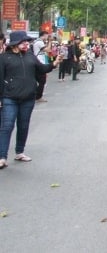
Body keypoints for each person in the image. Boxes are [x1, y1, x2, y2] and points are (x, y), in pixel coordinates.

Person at [0, 30, 62, 169]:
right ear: (15, 44)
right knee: (7, 126)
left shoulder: (30, 56)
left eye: (27, 41)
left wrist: (54, 63)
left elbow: (42, 69)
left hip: (28, 98)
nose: (27, 44)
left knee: (23, 125)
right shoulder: (4, 58)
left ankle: (20, 152)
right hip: (9, 98)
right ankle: (2, 157)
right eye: (24, 41)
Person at [32, 29, 51, 102]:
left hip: (39, 61)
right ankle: (38, 96)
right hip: (40, 62)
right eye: (47, 35)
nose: (47, 37)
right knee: (42, 80)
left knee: (39, 79)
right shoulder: (39, 42)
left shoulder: (37, 41)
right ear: (44, 35)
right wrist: (50, 41)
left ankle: (36, 94)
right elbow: (48, 50)